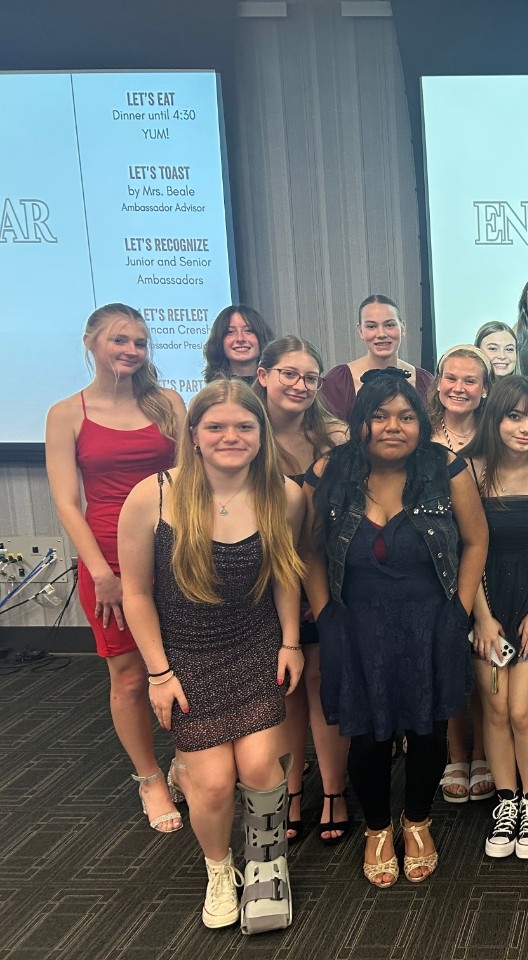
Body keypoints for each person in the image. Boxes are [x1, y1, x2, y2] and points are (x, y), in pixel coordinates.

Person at [117, 380, 306, 932]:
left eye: (245, 426)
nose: (231, 436)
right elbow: (137, 593)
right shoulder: (151, 495)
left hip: (253, 649)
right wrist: (158, 673)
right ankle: (220, 869)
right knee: (216, 783)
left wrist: (290, 642)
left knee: (256, 769)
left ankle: (267, 865)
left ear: (261, 433)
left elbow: (286, 578)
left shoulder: (285, 495)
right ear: (193, 435)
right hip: (186, 657)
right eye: (216, 426)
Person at [305, 369, 488, 888]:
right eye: (380, 416)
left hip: (430, 620)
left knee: (427, 730)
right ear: (360, 421)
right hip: (356, 623)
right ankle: (378, 829)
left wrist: (461, 607)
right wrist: (324, 613)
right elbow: (310, 549)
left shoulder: (444, 467)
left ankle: (417, 822)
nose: (394, 426)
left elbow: (476, 540)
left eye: (406, 416)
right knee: (365, 737)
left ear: (421, 423)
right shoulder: (332, 470)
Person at [45, 303, 185, 834]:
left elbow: (188, 479)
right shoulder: (67, 413)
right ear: (91, 343)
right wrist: (99, 570)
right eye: (119, 340)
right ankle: (149, 778)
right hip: (107, 557)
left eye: (140, 343)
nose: (130, 351)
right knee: (129, 674)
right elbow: (65, 502)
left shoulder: (168, 402)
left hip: (170, 549)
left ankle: (187, 758)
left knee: (183, 661)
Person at [253, 337, 351, 844]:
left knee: (320, 680)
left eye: (310, 378)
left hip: (319, 575)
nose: (300, 386)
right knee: (282, 686)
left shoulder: (329, 441)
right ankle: (293, 790)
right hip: (257, 582)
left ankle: (334, 789)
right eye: (289, 374)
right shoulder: (244, 434)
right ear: (264, 374)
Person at [462, 376, 528, 860]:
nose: (527, 428)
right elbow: (466, 548)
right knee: (495, 710)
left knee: (524, 710)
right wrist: (480, 617)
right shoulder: (469, 472)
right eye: (515, 416)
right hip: (485, 603)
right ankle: (507, 802)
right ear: (495, 416)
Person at [427, 344, 495, 801]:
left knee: (486, 662)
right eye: (452, 378)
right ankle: (456, 753)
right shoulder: (420, 438)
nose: (460, 387)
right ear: (437, 383)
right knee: (447, 660)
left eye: (471, 380)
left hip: (490, 563)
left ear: (485, 389)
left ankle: (487, 752)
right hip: (434, 570)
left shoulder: (496, 439)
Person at [319, 295, 432, 423]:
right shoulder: (338, 382)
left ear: (403, 328)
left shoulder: (425, 381)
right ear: (360, 330)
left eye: (389, 325)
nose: (381, 334)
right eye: (371, 326)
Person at [203, 305, 276, 384]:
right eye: (230, 332)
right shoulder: (213, 393)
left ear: (262, 337)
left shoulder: (275, 387)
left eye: (248, 330)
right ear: (219, 341)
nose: (240, 339)